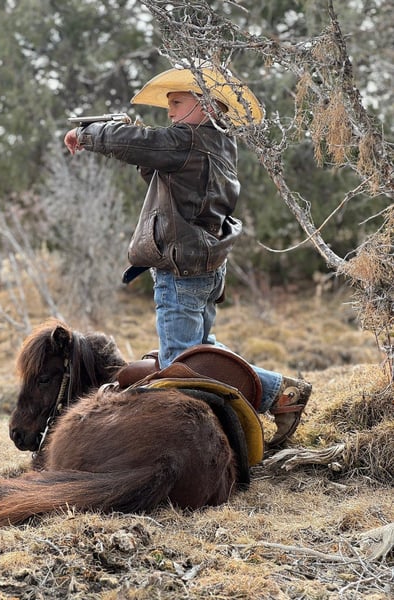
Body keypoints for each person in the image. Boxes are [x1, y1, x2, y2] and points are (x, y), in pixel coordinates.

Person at [64, 65, 311, 447]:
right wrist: (136, 145)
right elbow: (163, 171)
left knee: (180, 363)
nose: (170, 111)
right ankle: (277, 394)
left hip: (181, 273)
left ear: (207, 106)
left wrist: (87, 134)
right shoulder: (219, 144)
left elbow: (140, 142)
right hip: (204, 268)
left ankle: (278, 394)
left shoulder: (187, 141)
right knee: (204, 351)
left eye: (177, 102)